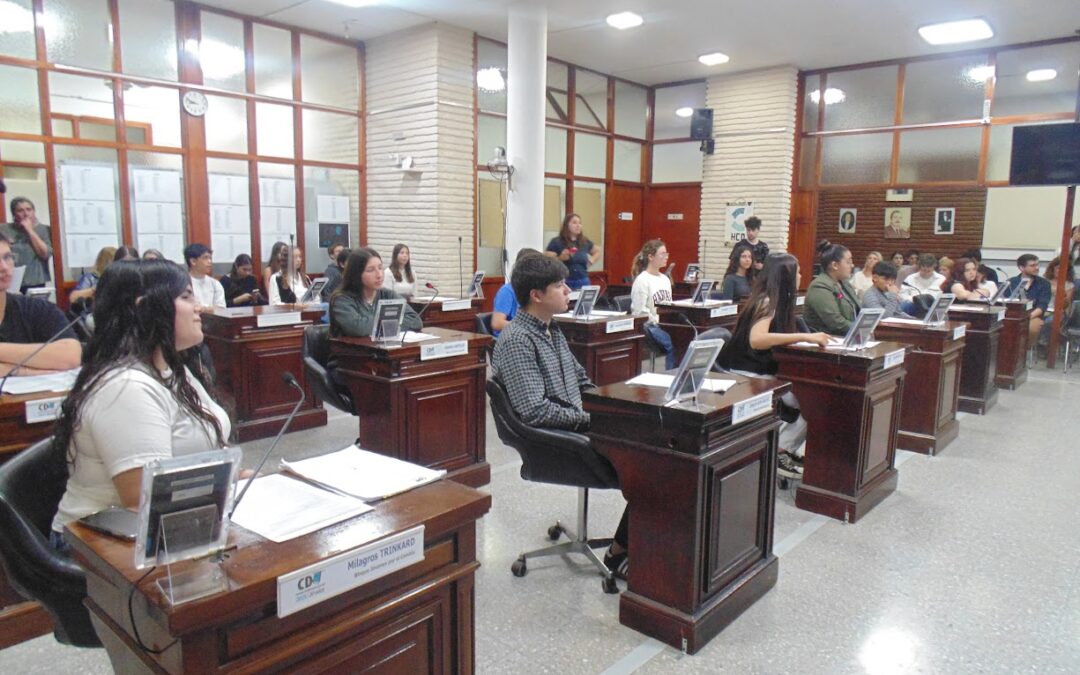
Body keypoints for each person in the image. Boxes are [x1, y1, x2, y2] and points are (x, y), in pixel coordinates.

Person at [48, 259, 230, 547]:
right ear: (145, 308)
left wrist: (231, 478)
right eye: (186, 297)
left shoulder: (171, 367)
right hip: (102, 546)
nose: (198, 307)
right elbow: (144, 502)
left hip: (177, 520)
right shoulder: (126, 387)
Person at [490, 254, 629, 579]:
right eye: (559, 286)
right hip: (558, 443)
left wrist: (609, 409)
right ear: (536, 295)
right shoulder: (517, 340)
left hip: (578, 429)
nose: (568, 290)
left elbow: (581, 380)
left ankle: (630, 546)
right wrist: (591, 420)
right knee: (654, 466)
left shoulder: (551, 330)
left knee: (661, 455)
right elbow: (535, 411)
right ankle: (621, 552)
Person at [717, 253, 830, 478]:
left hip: (761, 371)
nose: (800, 276)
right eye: (797, 272)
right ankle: (779, 452)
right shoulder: (766, 302)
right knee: (810, 404)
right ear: (786, 276)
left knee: (811, 400)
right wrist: (804, 337)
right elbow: (756, 340)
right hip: (748, 374)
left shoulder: (775, 301)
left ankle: (782, 448)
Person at [0, 233, 81, 377]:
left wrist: (9, 368)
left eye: (7, 257)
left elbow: (71, 356)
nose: (4, 267)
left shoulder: (36, 309)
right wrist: (25, 369)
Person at [329, 247, 422, 339]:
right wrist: (392, 323)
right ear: (356, 273)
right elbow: (358, 328)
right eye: (370, 270)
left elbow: (415, 320)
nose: (379, 275)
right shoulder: (342, 299)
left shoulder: (388, 295)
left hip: (383, 346)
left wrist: (381, 324)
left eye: (380, 268)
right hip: (352, 348)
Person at [630, 239, 675, 369]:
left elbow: (669, 304)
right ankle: (671, 374)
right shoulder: (642, 280)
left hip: (665, 323)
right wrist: (657, 320)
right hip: (649, 325)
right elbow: (640, 312)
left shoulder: (665, 279)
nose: (666, 257)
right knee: (671, 344)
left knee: (684, 338)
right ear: (651, 257)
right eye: (662, 254)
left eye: (667, 254)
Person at [803, 240, 860, 336]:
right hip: (829, 339)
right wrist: (860, 330)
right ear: (835, 265)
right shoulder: (819, 286)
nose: (852, 265)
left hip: (849, 336)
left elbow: (858, 309)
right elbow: (836, 322)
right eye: (848, 262)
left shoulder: (845, 284)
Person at [1, 197, 52, 293]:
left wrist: (29, 230)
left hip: (35, 280)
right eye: (20, 210)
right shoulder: (4, 229)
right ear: (14, 214)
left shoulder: (43, 229)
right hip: (10, 279)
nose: (26, 214)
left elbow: (45, 254)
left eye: (29, 209)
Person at [1003, 254, 1052, 345]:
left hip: (1033, 316)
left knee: (1030, 328)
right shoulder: (1011, 282)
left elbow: (1042, 306)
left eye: (1037, 265)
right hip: (1012, 316)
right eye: (1032, 265)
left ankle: (1024, 351)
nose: (1037, 268)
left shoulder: (1044, 284)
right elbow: (1004, 303)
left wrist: (1025, 318)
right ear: (1022, 268)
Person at [492, 248, 541, 336]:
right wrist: (526, 327)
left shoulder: (534, 291)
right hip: (511, 338)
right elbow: (497, 323)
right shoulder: (507, 291)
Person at [545, 213, 601, 291]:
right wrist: (560, 258)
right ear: (566, 225)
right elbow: (547, 261)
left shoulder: (584, 241)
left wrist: (591, 261)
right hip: (564, 281)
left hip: (583, 280)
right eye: (574, 223)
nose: (578, 225)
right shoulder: (556, 242)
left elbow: (598, 251)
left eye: (580, 223)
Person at [69, 245, 116, 314]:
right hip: (93, 315)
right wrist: (95, 289)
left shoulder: (120, 278)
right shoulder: (90, 278)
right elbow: (73, 298)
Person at [184, 243, 226, 310]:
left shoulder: (215, 283)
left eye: (210, 258)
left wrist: (203, 309)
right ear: (193, 261)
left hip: (213, 316)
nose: (210, 261)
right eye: (205, 258)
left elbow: (221, 308)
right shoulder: (182, 282)